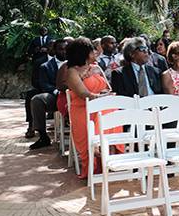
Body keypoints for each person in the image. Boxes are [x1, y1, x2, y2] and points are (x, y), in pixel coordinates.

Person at [65, 36, 120, 179]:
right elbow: (84, 94)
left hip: (101, 107)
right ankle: (97, 163)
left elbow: (107, 88)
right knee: (105, 114)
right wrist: (103, 98)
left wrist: (106, 95)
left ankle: (110, 159)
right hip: (84, 110)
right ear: (84, 53)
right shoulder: (72, 72)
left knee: (112, 113)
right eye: (92, 50)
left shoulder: (96, 67)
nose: (95, 52)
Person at [29, 38, 67, 149]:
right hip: (55, 96)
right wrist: (57, 92)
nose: (64, 52)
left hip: (75, 96)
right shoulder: (45, 66)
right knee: (37, 100)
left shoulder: (76, 64)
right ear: (55, 50)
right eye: (61, 49)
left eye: (66, 49)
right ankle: (43, 136)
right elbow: (44, 85)